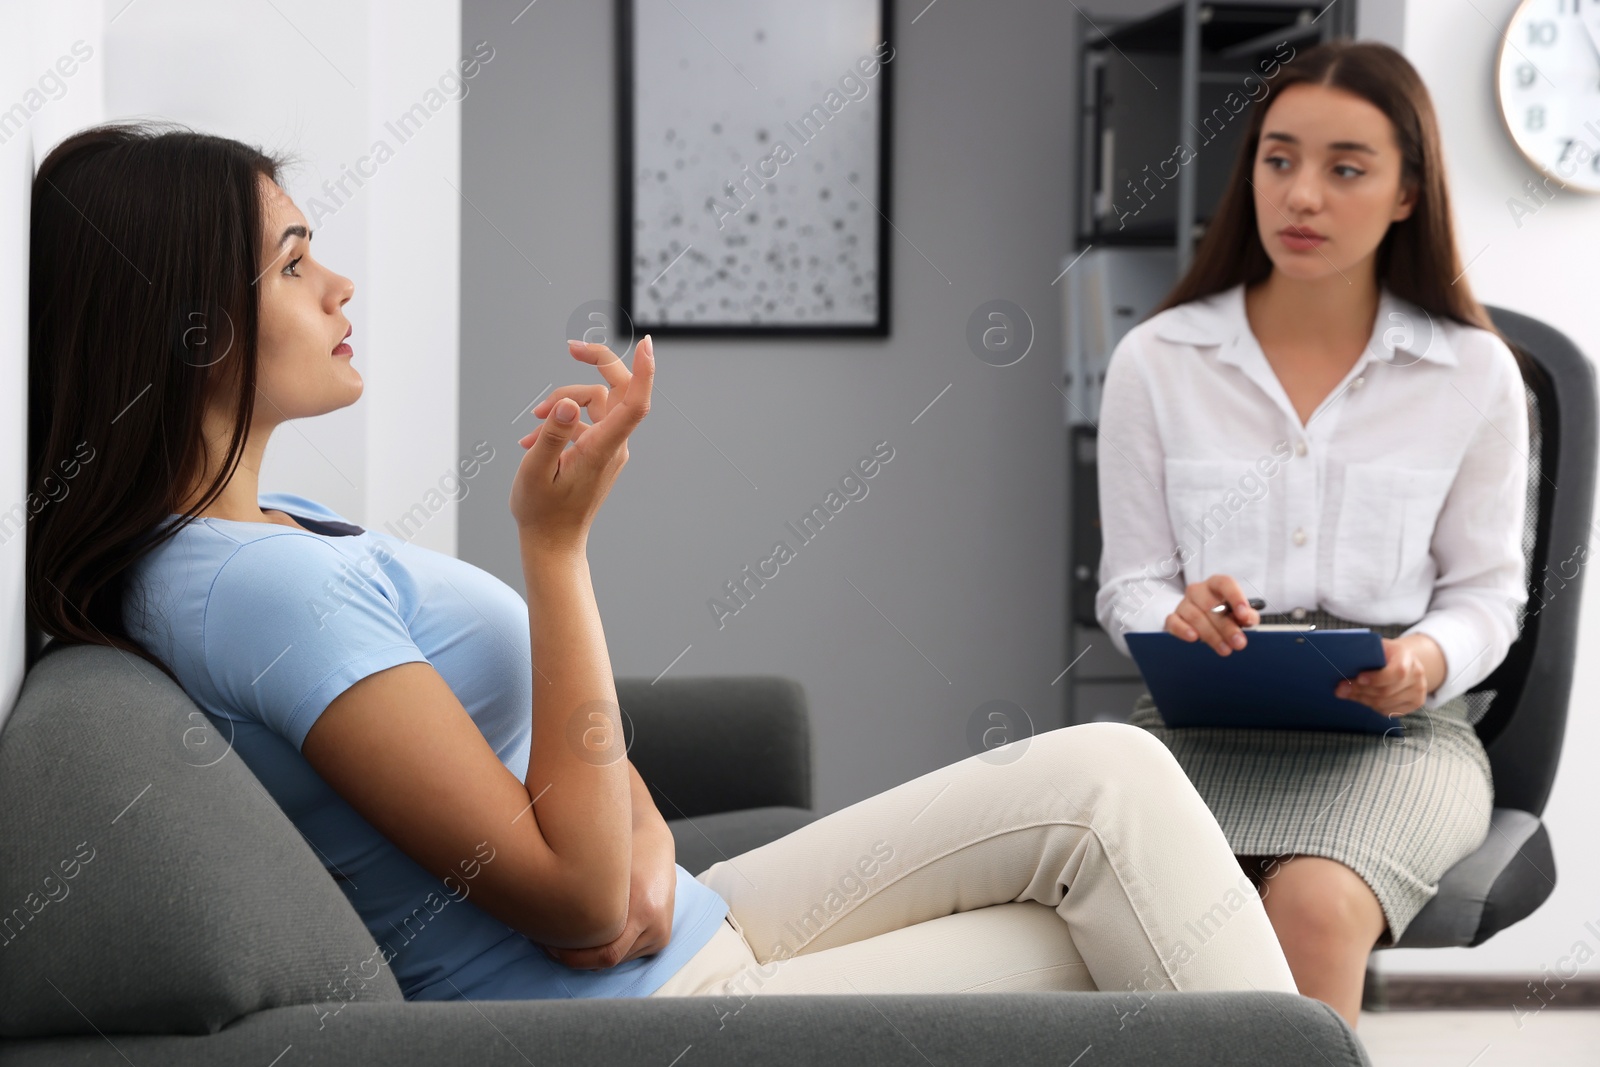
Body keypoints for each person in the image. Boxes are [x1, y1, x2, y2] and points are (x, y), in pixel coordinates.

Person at [25, 120, 1297, 1006]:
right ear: (190, 326)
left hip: (676, 926)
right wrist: (556, 548)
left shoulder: (268, 533)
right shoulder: (254, 591)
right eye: (296, 263)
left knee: (1112, 819)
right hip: (655, 1001)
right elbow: (579, 903)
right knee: (1117, 865)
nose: (341, 284)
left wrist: (635, 859)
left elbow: (580, 805)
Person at [1094, 41, 1530, 1028]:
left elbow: (1488, 595)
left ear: (1407, 193)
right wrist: (1172, 611)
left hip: (1396, 738)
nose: (1300, 195)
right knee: (1111, 905)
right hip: (1195, 729)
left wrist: (1423, 657)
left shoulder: (1471, 374)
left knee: (1313, 901)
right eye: (1277, 159)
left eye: (1345, 168)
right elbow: (1128, 583)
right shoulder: (1158, 360)